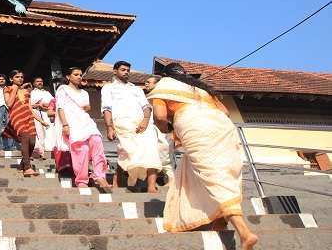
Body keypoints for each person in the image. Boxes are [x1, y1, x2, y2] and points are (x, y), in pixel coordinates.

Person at [148, 63, 258, 249]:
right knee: (209, 169)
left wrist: (170, 129)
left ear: (164, 75)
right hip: (222, 125)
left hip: (194, 126)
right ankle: (219, 223)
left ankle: (244, 232)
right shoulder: (200, 87)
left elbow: (159, 117)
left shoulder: (164, 85)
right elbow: (224, 111)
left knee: (212, 175)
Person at [101, 61, 161, 193]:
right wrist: (109, 127)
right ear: (115, 71)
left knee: (151, 149)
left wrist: (145, 121)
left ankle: (151, 186)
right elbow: (106, 108)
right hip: (122, 123)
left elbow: (146, 107)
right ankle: (117, 183)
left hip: (143, 124)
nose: (126, 72)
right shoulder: (108, 88)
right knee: (127, 152)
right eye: (123, 69)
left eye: (128, 70)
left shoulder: (136, 89)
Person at [56, 67, 110, 189]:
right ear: (68, 77)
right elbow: (60, 108)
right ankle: (81, 180)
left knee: (97, 141)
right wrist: (65, 124)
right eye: (76, 74)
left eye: (80, 75)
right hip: (72, 122)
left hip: (85, 121)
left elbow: (86, 107)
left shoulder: (84, 93)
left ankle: (100, 175)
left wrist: (86, 108)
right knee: (82, 149)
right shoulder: (63, 89)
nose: (79, 77)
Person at [3, 70, 39, 177]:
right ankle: (27, 168)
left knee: (32, 142)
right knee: (25, 140)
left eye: (21, 77)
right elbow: (9, 104)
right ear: (11, 79)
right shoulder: (7, 89)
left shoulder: (26, 92)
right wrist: (14, 89)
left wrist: (40, 120)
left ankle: (23, 163)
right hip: (17, 117)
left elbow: (29, 107)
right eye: (17, 77)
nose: (20, 79)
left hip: (28, 117)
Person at [145, 75, 175, 184]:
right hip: (150, 132)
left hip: (163, 132)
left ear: (157, 84)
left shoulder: (163, 97)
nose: (146, 84)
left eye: (149, 82)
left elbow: (161, 117)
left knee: (165, 160)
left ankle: (172, 182)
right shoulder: (147, 98)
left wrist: (169, 130)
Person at [30, 77, 54, 157]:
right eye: (37, 81)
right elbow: (29, 105)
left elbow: (53, 102)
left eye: (41, 81)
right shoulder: (31, 93)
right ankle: (40, 149)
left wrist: (46, 105)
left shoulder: (47, 93)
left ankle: (50, 148)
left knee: (49, 130)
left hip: (47, 113)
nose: (40, 83)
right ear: (34, 83)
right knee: (39, 132)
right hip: (36, 113)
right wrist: (38, 105)